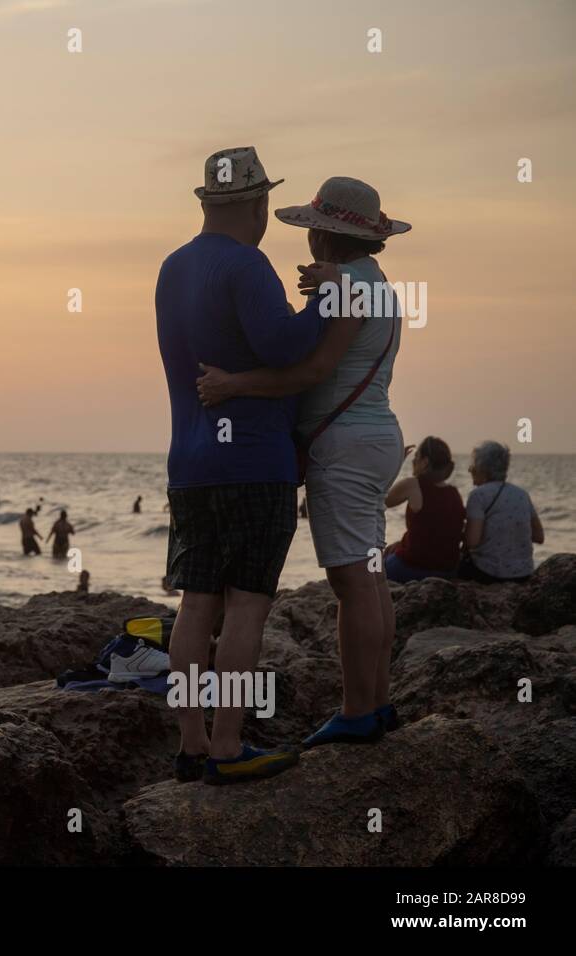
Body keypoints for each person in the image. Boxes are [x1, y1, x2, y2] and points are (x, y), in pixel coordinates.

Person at [195, 174, 410, 751]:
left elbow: (311, 373)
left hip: (342, 444)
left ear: (327, 236)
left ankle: (357, 711)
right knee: (371, 576)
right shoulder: (380, 284)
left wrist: (233, 384)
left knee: (351, 582)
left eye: (315, 230)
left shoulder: (341, 288)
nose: (309, 241)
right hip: (377, 435)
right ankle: (380, 701)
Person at [156, 147, 325, 785]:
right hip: (254, 461)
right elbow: (282, 345)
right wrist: (322, 306)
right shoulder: (249, 265)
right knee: (247, 608)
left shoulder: (171, 269)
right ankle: (229, 746)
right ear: (257, 205)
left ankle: (191, 743)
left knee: (196, 607)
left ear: (207, 202)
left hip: (190, 463)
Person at [460, 441, 544, 583]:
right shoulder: (522, 494)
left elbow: (472, 541)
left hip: (489, 573)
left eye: (473, 466)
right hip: (524, 574)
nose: (470, 470)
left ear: (482, 469)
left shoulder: (478, 495)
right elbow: (538, 536)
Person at [383, 436, 464, 583]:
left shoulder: (413, 484)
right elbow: (432, 536)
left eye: (416, 457)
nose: (413, 461)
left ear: (425, 462)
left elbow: (379, 501)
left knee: (373, 566)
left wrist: (394, 464)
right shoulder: (454, 493)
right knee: (394, 549)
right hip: (448, 571)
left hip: (414, 568)